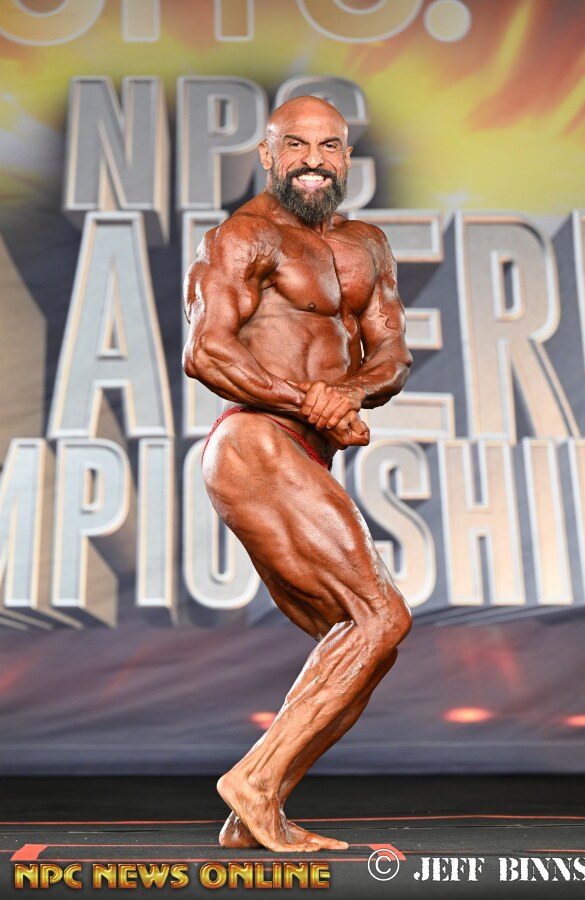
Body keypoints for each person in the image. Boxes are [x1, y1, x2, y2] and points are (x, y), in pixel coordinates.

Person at [183, 96, 413, 853]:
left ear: (346, 157)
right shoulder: (242, 236)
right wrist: (306, 400)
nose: (314, 160)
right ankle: (252, 783)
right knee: (380, 617)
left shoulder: (368, 245)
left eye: (329, 146)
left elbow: (391, 355)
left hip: (306, 447)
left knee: (362, 643)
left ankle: (257, 808)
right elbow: (206, 351)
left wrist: (346, 395)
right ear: (269, 154)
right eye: (297, 145)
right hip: (255, 441)